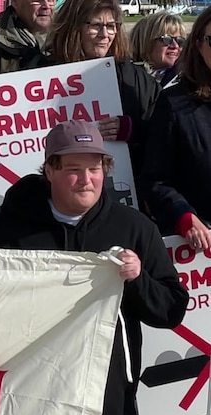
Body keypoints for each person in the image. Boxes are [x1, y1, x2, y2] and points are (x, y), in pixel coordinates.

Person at [0, 121, 188, 415]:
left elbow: (171, 311)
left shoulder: (133, 228)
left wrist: (138, 278)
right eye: (72, 169)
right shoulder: (9, 229)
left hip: (106, 409)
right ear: (49, 170)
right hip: (28, 406)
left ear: (106, 169)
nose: (85, 179)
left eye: (94, 168)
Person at [45, 0, 158, 179]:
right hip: (62, 187)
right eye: (96, 26)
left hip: (126, 187)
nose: (105, 35)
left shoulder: (134, 78)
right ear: (73, 28)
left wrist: (134, 130)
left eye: (111, 26)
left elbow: (165, 131)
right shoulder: (42, 75)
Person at [137, 6, 211, 249]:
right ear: (199, 45)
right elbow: (155, 181)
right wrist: (183, 216)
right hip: (200, 245)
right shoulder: (174, 103)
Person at [130, 11, 186, 87]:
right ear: (145, 41)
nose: (175, 46)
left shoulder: (188, 79)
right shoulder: (128, 80)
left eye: (179, 40)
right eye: (167, 39)